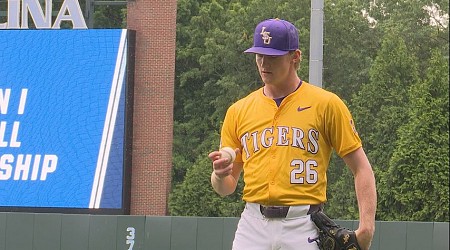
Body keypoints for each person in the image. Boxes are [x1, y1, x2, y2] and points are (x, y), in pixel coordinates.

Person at [208, 18, 377, 250]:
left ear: (295, 56)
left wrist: (367, 227)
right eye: (259, 55)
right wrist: (219, 175)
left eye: (273, 56)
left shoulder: (326, 104)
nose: (264, 63)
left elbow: (361, 168)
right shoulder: (238, 110)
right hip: (253, 225)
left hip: (304, 224)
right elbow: (226, 187)